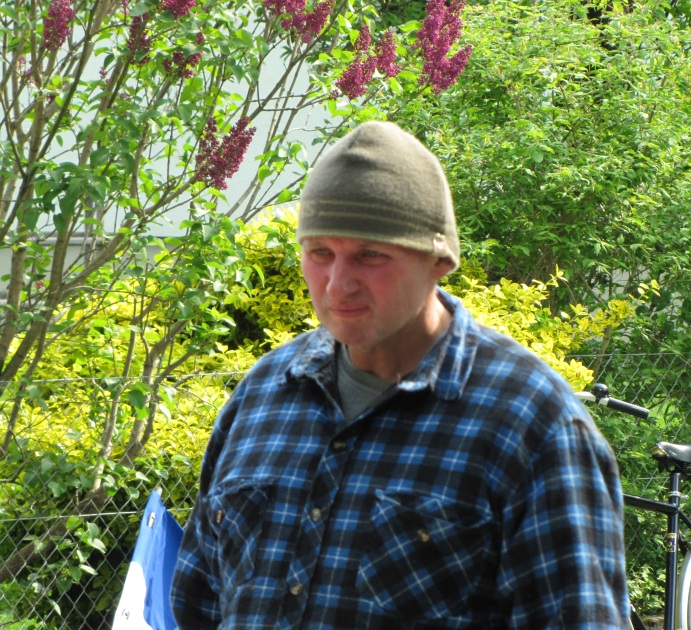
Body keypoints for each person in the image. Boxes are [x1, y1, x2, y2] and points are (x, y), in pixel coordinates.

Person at [170, 121, 629, 628]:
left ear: (439, 260)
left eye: (370, 255)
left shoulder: (532, 424)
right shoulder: (263, 395)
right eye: (320, 253)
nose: (337, 284)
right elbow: (197, 605)